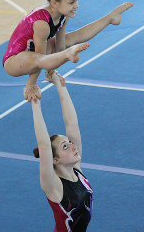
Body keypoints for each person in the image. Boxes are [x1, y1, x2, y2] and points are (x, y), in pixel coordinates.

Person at [3, 0, 133, 103]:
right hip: (14, 61)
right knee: (39, 57)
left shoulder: (63, 16)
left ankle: (110, 17)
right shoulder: (41, 23)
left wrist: (51, 70)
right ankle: (68, 54)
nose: (76, 5)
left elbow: (59, 47)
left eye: (76, 0)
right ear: (54, 3)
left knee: (69, 39)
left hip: (35, 56)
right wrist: (31, 85)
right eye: (71, 2)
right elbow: (39, 58)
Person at [31, 70, 93, 231]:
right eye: (65, 146)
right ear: (55, 159)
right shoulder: (53, 186)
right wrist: (35, 102)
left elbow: (72, 124)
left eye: (70, 142)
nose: (73, 146)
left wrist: (59, 84)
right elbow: (44, 145)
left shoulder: (76, 170)